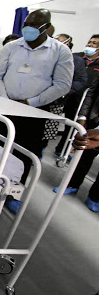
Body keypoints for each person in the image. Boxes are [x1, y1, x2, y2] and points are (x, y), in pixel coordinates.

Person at [0, 9, 73, 213]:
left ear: (46, 27)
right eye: (27, 24)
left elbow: (62, 84)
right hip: (4, 107)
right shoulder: (11, 47)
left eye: (34, 26)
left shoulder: (60, 51)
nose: (28, 29)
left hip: (34, 112)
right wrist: (5, 99)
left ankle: (14, 192)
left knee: (26, 154)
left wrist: (32, 102)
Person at [54, 73, 99, 212]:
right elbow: (91, 94)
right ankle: (73, 184)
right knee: (84, 153)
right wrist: (83, 116)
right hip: (95, 118)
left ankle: (95, 196)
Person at [49, 34, 88, 157]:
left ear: (67, 43)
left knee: (49, 129)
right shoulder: (47, 57)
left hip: (61, 99)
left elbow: (81, 80)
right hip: (42, 98)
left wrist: (64, 90)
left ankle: (44, 151)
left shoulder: (76, 60)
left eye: (58, 41)